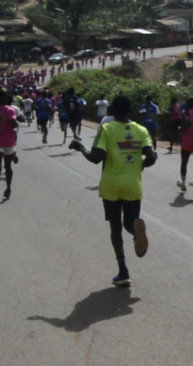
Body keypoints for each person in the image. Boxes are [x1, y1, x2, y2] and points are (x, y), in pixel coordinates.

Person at [70, 95, 155, 287]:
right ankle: (136, 232)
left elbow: (95, 157)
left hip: (111, 185)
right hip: (133, 185)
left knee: (115, 227)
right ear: (130, 110)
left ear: (112, 111)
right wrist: (139, 165)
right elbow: (151, 158)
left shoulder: (106, 129)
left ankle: (123, 271)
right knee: (130, 222)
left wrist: (81, 147)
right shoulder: (141, 130)